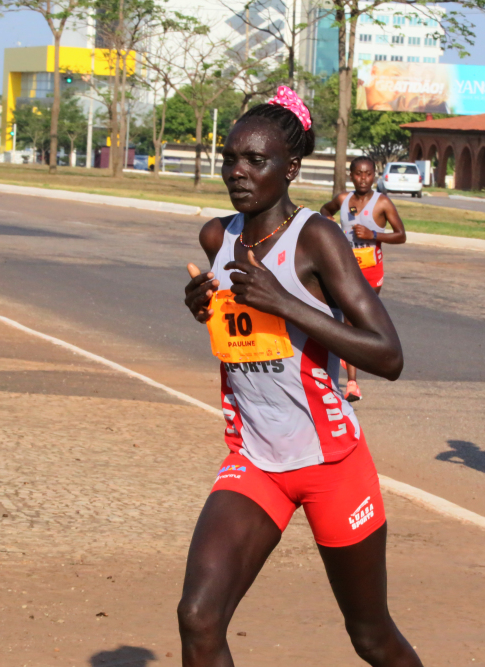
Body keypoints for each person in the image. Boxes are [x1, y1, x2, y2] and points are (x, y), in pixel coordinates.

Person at [181, 86, 422, 667]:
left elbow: (388, 356)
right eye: (230, 159)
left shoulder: (317, 237)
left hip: (330, 463)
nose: (238, 172)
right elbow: (242, 332)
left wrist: (284, 302)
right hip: (255, 459)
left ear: (290, 169)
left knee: (370, 636)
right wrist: (203, 306)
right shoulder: (219, 237)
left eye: (255, 161)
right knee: (199, 617)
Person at [319, 157, 407, 402]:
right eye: (358, 174)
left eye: (368, 174)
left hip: (371, 271)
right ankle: (353, 384)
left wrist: (373, 234)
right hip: (347, 270)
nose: (363, 179)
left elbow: (401, 235)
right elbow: (324, 210)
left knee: (358, 323)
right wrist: (329, 221)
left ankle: (353, 369)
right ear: (351, 175)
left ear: (374, 176)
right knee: (349, 321)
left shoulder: (382, 203)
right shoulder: (343, 200)